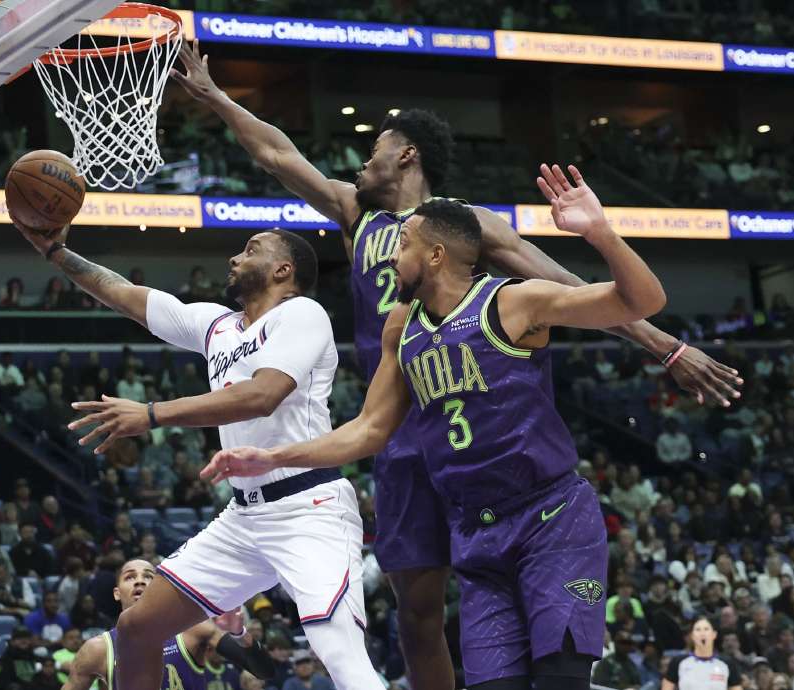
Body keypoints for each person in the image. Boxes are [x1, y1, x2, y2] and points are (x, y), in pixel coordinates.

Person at [171, 39, 742, 690]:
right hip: (402, 418)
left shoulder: (465, 226)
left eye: (375, 146)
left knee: (517, 592)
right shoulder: (358, 216)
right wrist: (216, 98)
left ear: (406, 154)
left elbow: (565, 282)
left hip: (478, 411)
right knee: (417, 612)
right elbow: (277, 154)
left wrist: (665, 345)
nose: (362, 158)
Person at [201, 172, 668, 690]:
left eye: (402, 246)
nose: (388, 258)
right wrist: (273, 458)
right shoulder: (402, 326)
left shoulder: (514, 303)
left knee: (559, 680)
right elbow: (368, 430)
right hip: (475, 531)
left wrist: (600, 232)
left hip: (548, 517)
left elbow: (641, 301)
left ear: (437, 255)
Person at [17, 189, 372, 689]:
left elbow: (263, 394)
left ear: (284, 270)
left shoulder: (302, 314)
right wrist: (56, 252)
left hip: (307, 506)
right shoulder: (216, 326)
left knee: (340, 654)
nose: (235, 256)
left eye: (251, 248)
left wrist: (152, 413)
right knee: (137, 627)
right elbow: (125, 295)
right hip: (245, 516)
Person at [64, 559, 274, 690]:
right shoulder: (98, 649)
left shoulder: (192, 629)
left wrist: (239, 633)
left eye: (148, 576)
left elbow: (265, 672)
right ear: (117, 593)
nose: (139, 581)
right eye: (130, 577)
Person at [662, 618, 742, 690]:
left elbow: (736, 687)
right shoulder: (678, 662)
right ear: (692, 636)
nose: (702, 633)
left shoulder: (727, 663)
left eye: (706, 629)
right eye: (698, 630)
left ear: (714, 634)